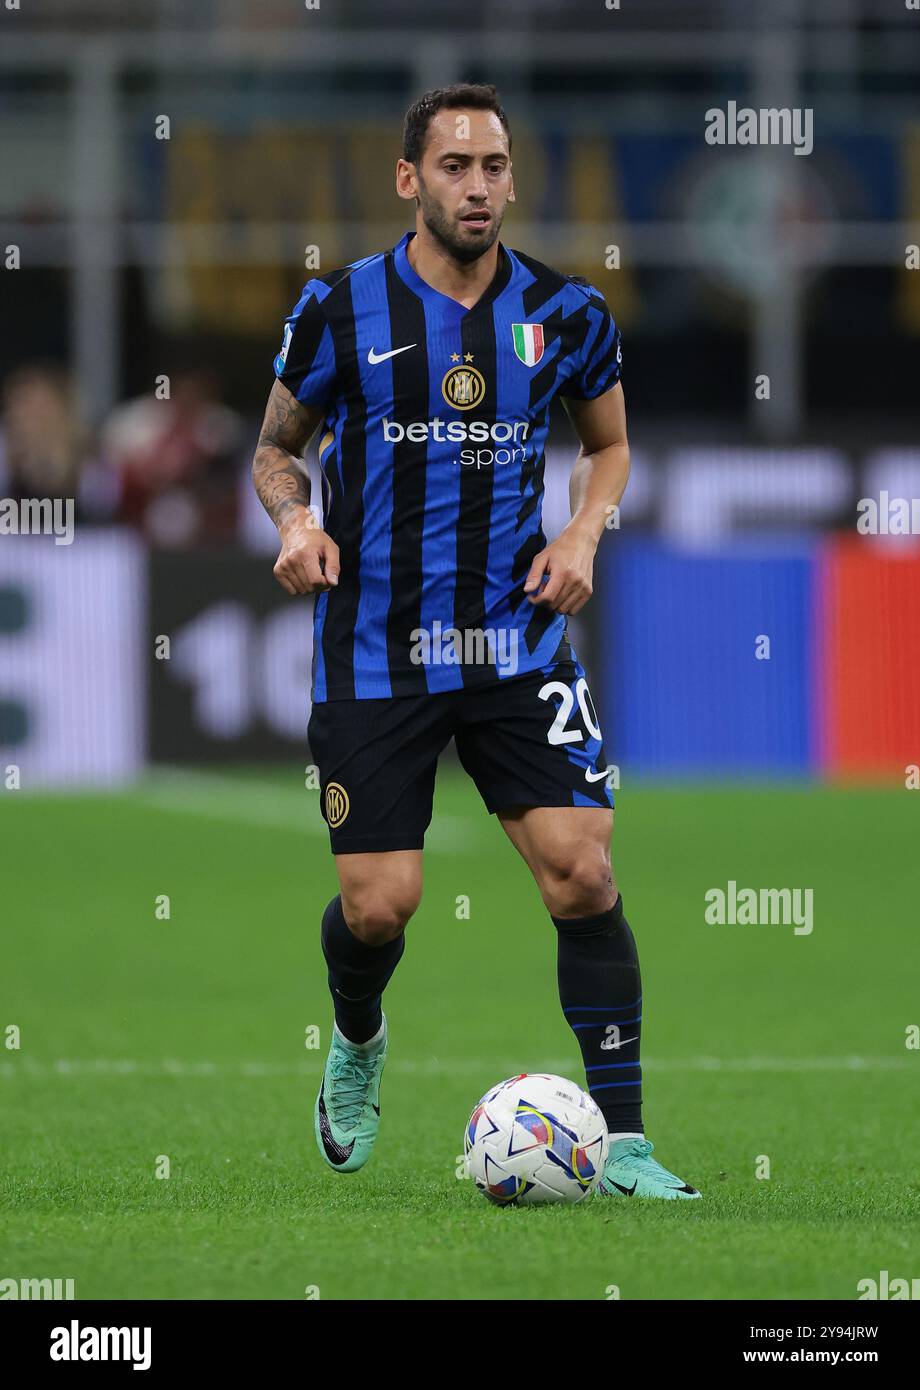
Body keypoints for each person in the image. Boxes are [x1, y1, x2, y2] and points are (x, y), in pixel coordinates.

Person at [252, 83, 699, 1200]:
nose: (479, 187)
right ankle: (358, 1038)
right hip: (377, 649)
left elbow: (609, 448)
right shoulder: (340, 307)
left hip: (516, 640)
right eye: (455, 166)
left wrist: (587, 531)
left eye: (495, 166)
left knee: (583, 871)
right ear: (411, 180)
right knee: (379, 905)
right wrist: (296, 521)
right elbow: (274, 448)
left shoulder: (566, 310)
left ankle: (629, 1141)